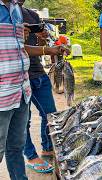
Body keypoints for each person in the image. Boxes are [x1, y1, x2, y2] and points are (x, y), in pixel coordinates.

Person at [0, 0, 68, 178]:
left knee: (15, 146)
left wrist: (49, 49)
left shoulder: (15, 9)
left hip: (22, 89)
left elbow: (19, 48)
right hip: (2, 94)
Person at [18, 0, 56, 173]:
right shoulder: (6, 15)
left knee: (50, 114)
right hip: (18, 75)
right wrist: (46, 50)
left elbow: (40, 47)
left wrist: (43, 40)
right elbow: (15, 49)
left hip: (38, 72)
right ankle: (31, 156)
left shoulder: (33, 15)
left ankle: (47, 147)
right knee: (22, 120)